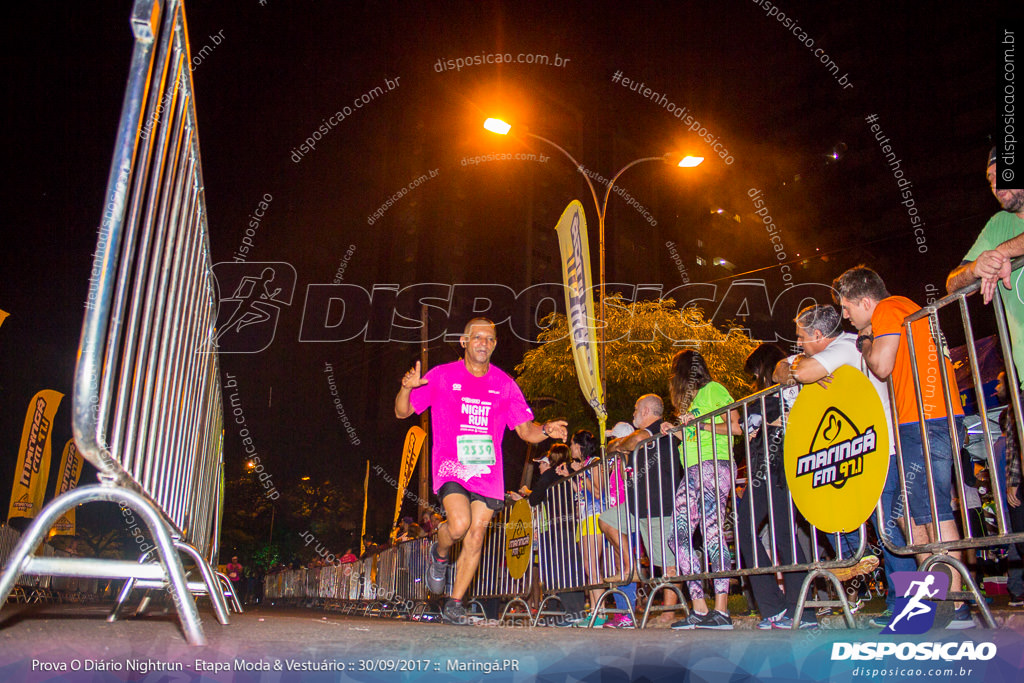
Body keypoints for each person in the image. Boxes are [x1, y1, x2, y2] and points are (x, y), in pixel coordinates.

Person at [394, 317, 568, 624]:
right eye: (477, 338)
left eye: (489, 339)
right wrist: (406, 389)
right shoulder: (443, 376)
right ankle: (440, 551)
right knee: (459, 525)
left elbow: (527, 431)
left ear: (495, 344)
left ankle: (454, 603)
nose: (483, 343)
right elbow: (402, 411)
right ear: (464, 341)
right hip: (451, 466)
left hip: (488, 473)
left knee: (476, 534)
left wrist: (547, 430)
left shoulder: (504, 385)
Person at [833, 265, 973, 629]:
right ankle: (929, 607)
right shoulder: (897, 309)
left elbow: (880, 364)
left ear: (865, 300)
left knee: (934, 515)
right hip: (922, 420)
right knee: (912, 518)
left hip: (929, 419)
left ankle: (955, 607)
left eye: (847, 308)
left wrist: (866, 339)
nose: (846, 317)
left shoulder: (889, 309)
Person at [774, 304, 907, 626]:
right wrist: (793, 364)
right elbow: (780, 371)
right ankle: (858, 568)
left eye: (801, 339)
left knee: (891, 533)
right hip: (847, 453)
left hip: (881, 449)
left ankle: (908, 607)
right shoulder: (819, 354)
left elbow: (802, 373)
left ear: (819, 335)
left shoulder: (847, 345)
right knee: (832, 517)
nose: (799, 345)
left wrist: (800, 368)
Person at [735, 343, 819, 629]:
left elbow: (798, 418)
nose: (753, 379)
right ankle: (780, 607)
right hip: (763, 468)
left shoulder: (786, 388)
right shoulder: (760, 395)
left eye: (755, 372)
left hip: (780, 467)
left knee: (781, 534)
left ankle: (799, 610)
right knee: (762, 531)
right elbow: (747, 429)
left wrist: (777, 424)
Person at [663, 350, 738, 630]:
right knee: (677, 537)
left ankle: (722, 610)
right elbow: (692, 434)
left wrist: (699, 423)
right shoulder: (691, 404)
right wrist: (678, 431)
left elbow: (735, 427)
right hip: (692, 469)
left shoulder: (712, 390)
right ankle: (700, 608)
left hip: (714, 465)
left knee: (713, 533)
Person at [601, 394, 682, 627]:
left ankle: (669, 613)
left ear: (646, 411)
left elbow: (630, 442)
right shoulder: (643, 434)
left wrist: (620, 443)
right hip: (638, 505)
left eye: (636, 409)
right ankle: (632, 567)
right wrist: (619, 444)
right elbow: (613, 447)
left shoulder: (659, 429)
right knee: (607, 521)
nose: (633, 414)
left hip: (660, 505)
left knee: (668, 563)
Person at [946, 147, 1024, 387]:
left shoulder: (1001, 241)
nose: (995, 185)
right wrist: (976, 268)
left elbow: (1002, 250)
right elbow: (952, 285)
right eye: (990, 178)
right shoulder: (999, 223)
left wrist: (1002, 251)